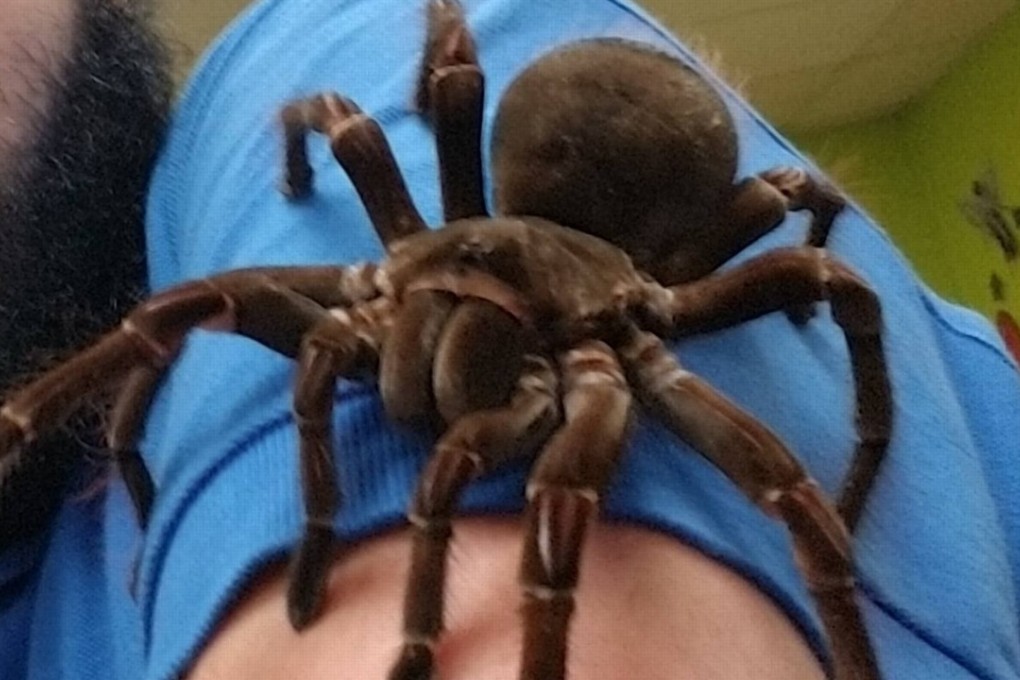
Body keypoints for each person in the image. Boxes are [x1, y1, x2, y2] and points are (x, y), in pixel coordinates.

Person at [1, 0, 1018, 679]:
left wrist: (861, 451)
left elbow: (385, 34)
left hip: (638, 219)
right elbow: (330, 122)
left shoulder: (328, 30)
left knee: (796, 460)